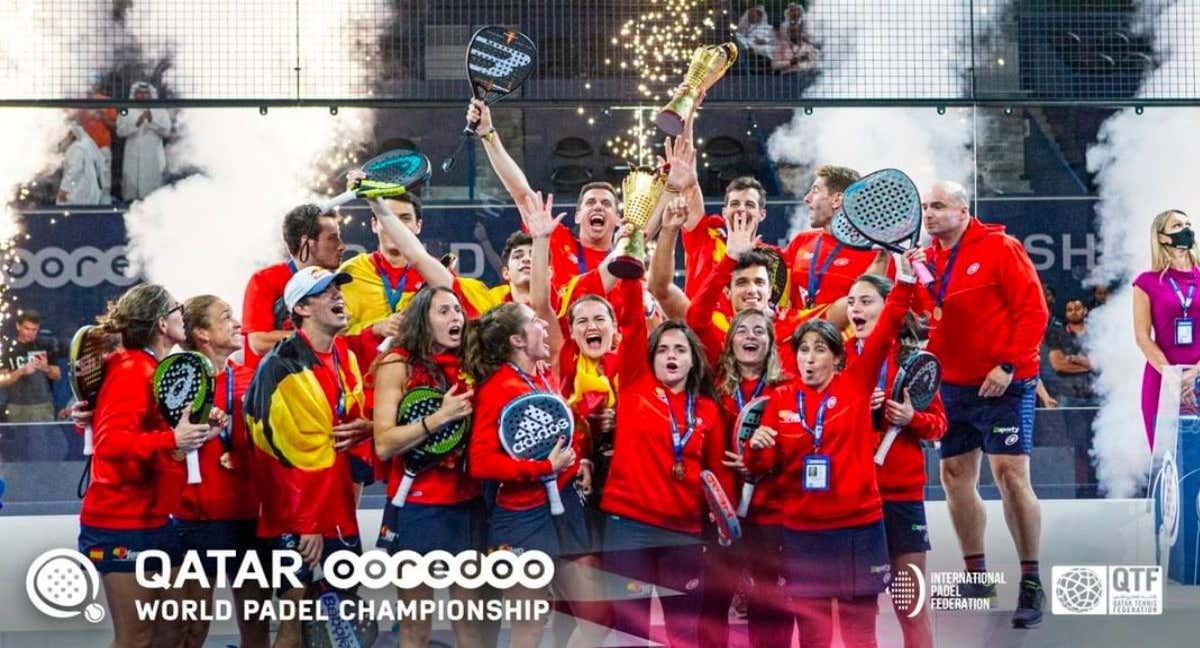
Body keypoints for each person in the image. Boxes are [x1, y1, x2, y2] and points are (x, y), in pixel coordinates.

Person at [744, 252, 917, 647]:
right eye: (803, 349)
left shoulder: (856, 384)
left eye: (820, 349)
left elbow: (889, 323)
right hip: (804, 534)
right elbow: (762, 465)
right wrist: (757, 448)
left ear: (838, 357)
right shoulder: (781, 399)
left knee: (860, 633)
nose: (808, 358)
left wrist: (905, 279)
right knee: (814, 636)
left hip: (859, 528)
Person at [465, 192, 604, 648]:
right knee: (529, 627)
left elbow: (558, 433)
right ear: (514, 339)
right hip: (521, 522)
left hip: (563, 508)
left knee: (597, 620)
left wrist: (574, 459)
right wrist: (543, 468)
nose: (545, 327)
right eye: (534, 325)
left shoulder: (542, 374)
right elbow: (482, 464)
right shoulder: (496, 389)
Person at [914, 180, 1048, 628]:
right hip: (951, 387)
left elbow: (1033, 310)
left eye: (937, 206)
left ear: (963, 209)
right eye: (925, 207)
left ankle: (1031, 581)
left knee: (1010, 476)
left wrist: (1008, 365)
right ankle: (977, 577)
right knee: (954, 478)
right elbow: (924, 315)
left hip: (1003, 384)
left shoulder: (1001, 247)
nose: (928, 214)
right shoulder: (927, 258)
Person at [77, 284, 216, 648]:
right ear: (160, 323)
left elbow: (155, 438)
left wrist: (199, 432)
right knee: (136, 638)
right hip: (120, 525)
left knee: (173, 631)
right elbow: (111, 444)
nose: (182, 314)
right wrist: (173, 440)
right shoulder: (132, 369)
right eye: (176, 308)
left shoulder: (151, 367)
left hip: (155, 520)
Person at [599, 273, 732, 648]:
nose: (671, 356)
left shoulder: (707, 410)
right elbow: (631, 323)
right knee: (632, 631)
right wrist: (629, 276)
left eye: (680, 350)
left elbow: (718, 477)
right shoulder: (635, 383)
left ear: (693, 360)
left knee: (684, 631)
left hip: (683, 532)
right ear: (650, 357)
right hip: (630, 529)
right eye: (663, 350)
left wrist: (726, 522)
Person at [244, 266, 374, 648]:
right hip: (298, 519)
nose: (338, 296)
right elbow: (277, 458)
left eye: (338, 288)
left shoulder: (343, 357)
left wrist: (366, 426)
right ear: (300, 307)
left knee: (340, 624)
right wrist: (306, 523)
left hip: (337, 515)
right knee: (293, 621)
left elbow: (343, 436)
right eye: (324, 292)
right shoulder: (282, 365)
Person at [372, 286, 485, 648]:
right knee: (416, 627)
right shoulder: (397, 364)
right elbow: (385, 443)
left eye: (457, 310)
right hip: (416, 507)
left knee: (470, 625)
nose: (456, 317)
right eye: (444, 311)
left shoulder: (474, 364)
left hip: (467, 503)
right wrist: (439, 418)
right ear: (423, 320)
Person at [846, 274, 948, 648]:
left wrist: (911, 418)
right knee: (860, 608)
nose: (856, 308)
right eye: (852, 301)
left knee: (911, 604)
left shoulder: (912, 360)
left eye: (866, 301)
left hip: (902, 501)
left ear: (889, 307)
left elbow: (938, 426)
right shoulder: (835, 356)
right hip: (854, 502)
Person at [175, 295, 268, 648]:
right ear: (201, 332)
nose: (238, 323)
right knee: (193, 629)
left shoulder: (251, 377)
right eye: (226, 317)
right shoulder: (174, 382)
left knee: (256, 630)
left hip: (249, 516)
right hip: (196, 519)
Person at [700, 307, 792, 647]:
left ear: (770, 343)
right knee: (713, 606)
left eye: (759, 330)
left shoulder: (786, 390)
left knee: (770, 609)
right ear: (728, 343)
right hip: (720, 515)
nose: (751, 336)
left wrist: (763, 461)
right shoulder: (713, 387)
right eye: (742, 330)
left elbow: (797, 445)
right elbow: (697, 316)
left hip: (770, 516)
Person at [471, 99, 619, 286]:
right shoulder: (557, 240)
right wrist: (487, 133)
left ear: (617, 218)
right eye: (590, 202)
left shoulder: (624, 262)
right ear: (578, 216)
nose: (598, 206)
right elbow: (521, 193)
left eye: (606, 203)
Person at [241, 203, 346, 371]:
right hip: (272, 389)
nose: (342, 246)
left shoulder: (336, 284)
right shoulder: (265, 280)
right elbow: (259, 342)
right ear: (307, 243)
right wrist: (319, 336)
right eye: (332, 239)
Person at [785, 165, 890, 326]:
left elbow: (880, 318)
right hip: (799, 346)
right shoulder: (800, 242)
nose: (807, 198)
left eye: (815, 190)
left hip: (845, 348)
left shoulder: (876, 254)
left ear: (836, 200)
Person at [1133, 209, 1200, 448]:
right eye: (1177, 225)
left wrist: (1195, 373)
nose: (1186, 229)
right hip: (1162, 377)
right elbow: (1142, 336)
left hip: (1199, 373)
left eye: (1188, 224)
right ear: (1162, 237)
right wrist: (1172, 375)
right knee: (1168, 459)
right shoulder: (1147, 282)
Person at [0, 310, 61, 423]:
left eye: (34, 330)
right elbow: (2, 381)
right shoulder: (8, 348)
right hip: (16, 406)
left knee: (43, 440)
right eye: (27, 328)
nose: (30, 333)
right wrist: (21, 371)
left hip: (42, 405)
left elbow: (57, 375)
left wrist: (46, 368)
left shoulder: (46, 345)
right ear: (18, 326)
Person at [115, 81, 171, 201]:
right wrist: (136, 124)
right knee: (131, 187)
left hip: (153, 157)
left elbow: (166, 131)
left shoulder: (160, 110)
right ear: (134, 94)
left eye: (146, 93)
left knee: (153, 189)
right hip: (132, 155)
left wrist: (152, 121)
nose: (143, 96)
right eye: (139, 93)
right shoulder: (126, 110)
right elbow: (120, 132)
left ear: (151, 94)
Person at [1048, 299, 1097, 407]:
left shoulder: (1096, 333)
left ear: (1085, 310)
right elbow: (1059, 365)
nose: (1073, 312)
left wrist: (1077, 361)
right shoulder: (1056, 334)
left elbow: (1106, 362)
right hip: (1068, 394)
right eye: (1069, 310)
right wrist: (1090, 365)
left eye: (1077, 309)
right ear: (1065, 313)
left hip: (1096, 392)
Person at [80, 86, 118, 201]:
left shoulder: (107, 101)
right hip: (83, 149)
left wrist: (102, 116)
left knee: (104, 180)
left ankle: (104, 203)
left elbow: (116, 126)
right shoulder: (77, 101)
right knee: (84, 179)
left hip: (102, 147)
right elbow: (69, 122)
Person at [57, 122, 106, 205]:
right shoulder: (84, 145)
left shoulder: (77, 148)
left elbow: (74, 170)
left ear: (71, 134)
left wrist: (64, 189)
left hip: (79, 191)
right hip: (85, 189)